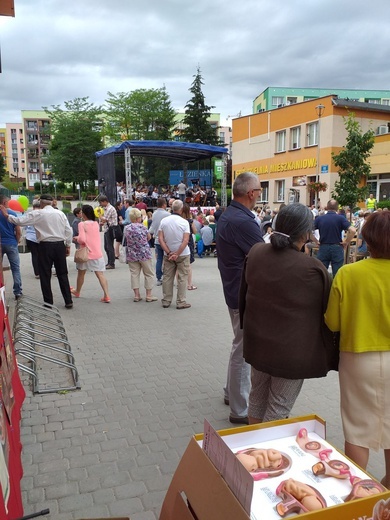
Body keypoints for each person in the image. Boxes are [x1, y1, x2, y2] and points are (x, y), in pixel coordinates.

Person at [240, 203, 338, 425]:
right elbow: (327, 312)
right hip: (290, 351)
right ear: (306, 233)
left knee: (257, 396)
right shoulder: (312, 268)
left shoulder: (256, 252)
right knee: (278, 407)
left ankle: (251, 449)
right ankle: (265, 455)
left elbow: (244, 294)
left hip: (257, 342)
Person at [324, 211, 390, 488]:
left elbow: (333, 322)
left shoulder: (348, 274)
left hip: (357, 358)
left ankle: (357, 492)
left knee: (357, 428)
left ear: (367, 238)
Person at [216, 172, 263, 425]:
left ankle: (230, 393)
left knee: (238, 345)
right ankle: (239, 408)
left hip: (234, 290)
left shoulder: (230, 214)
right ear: (251, 193)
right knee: (243, 351)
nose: (259, 195)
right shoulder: (242, 221)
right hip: (241, 293)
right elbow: (262, 255)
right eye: (259, 191)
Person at [0, 194, 73, 308]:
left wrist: (6, 215)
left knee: (45, 274)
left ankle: (48, 302)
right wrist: (68, 245)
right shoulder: (60, 214)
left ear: (41, 203)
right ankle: (68, 300)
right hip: (59, 244)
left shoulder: (37, 213)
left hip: (45, 245)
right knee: (62, 273)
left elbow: (19, 221)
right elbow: (68, 230)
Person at [70, 205, 110, 303]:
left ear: (83, 213)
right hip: (97, 253)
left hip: (85, 253)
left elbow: (82, 239)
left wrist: (76, 238)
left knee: (81, 273)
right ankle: (107, 295)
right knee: (100, 274)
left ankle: (77, 291)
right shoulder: (96, 223)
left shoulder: (82, 224)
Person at [158, 199, 191, 310]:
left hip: (168, 253)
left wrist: (168, 252)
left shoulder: (164, 221)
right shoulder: (184, 222)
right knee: (182, 278)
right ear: (181, 209)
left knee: (167, 277)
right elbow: (186, 240)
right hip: (183, 253)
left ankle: (166, 300)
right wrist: (177, 253)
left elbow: (160, 238)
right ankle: (181, 301)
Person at [314, 199, 356, 277]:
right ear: (337, 208)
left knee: (320, 274)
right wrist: (346, 241)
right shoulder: (340, 218)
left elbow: (308, 230)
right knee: (337, 274)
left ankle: (322, 288)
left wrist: (315, 241)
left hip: (323, 246)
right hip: (337, 246)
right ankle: (335, 288)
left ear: (327, 207)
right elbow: (353, 230)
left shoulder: (319, 218)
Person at [124, 208, 157, 303]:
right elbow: (149, 237)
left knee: (134, 274)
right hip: (144, 253)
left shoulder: (127, 228)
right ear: (138, 218)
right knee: (148, 273)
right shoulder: (143, 227)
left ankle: (137, 295)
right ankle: (149, 295)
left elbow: (126, 239)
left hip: (132, 254)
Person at [0, 195, 23, 299]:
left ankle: (2, 290)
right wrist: (16, 241)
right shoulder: (12, 214)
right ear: (4, 203)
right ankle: (17, 292)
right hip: (11, 243)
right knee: (15, 268)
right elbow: (18, 231)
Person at [148, 197, 170, 286]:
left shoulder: (154, 214)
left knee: (159, 259)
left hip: (157, 239)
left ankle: (158, 277)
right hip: (166, 240)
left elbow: (153, 226)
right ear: (164, 205)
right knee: (168, 260)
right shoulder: (167, 215)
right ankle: (167, 277)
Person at [98, 195, 118, 269]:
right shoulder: (105, 209)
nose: (100, 205)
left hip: (111, 229)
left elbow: (105, 219)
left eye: (101, 203)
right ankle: (109, 262)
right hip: (107, 229)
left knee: (109, 247)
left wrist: (100, 216)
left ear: (105, 201)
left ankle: (111, 263)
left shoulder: (110, 208)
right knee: (106, 247)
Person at [181, 203, 197, 291]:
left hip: (180, 241)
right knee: (188, 264)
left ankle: (180, 283)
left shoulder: (178, 220)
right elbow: (195, 231)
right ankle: (189, 284)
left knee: (178, 264)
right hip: (189, 242)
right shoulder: (190, 221)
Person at [25, 199, 41, 278]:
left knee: (34, 255)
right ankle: (43, 271)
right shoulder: (42, 214)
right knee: (42, 255)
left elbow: (24, 226)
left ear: (33, 206)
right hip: (40, 238)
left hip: (30, 238)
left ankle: (37, 273)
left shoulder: (29, 214)